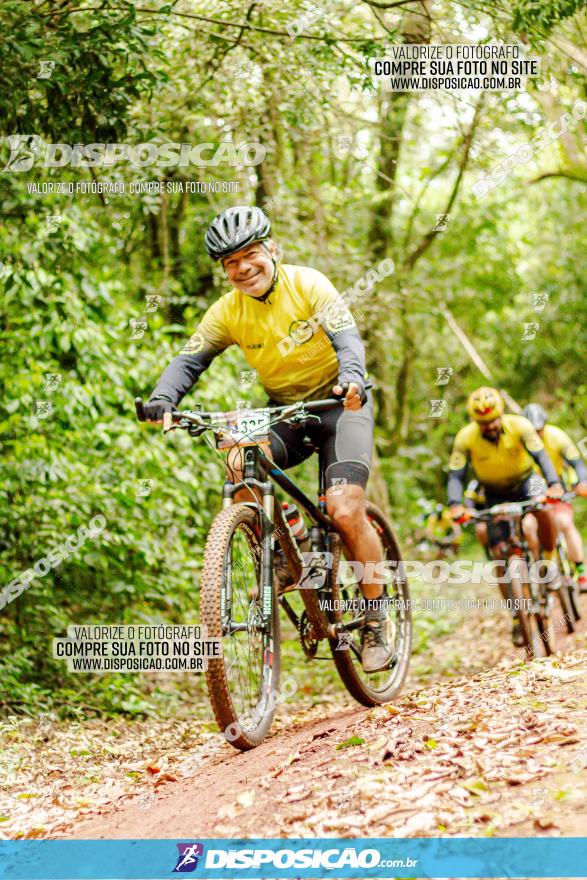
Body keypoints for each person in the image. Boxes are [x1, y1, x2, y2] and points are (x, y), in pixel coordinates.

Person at [139, 205, 392, 673]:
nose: (242, 268)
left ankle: (376, 617)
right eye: (230, 262)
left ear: (271, 250)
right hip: (285, 411)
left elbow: (347, 340)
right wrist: (163, 399)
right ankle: (287, 547)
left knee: (343, 509)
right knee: (239, 458)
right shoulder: (227, 312)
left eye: (250, 254)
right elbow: (189, 360)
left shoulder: (310, 284)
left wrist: (353, 378)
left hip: (341, 405)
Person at [447, 387, 564, 645]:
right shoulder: (465, 438)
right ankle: (516, 614)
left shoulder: (521, 426)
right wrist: (455, 504)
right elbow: (456, 475)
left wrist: (554, 483)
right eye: (483, 423)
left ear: (501, 414)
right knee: (500, 555)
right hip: (493, 493)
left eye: (492, 420)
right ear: (475, 421)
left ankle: (549, 561)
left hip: (526, 481)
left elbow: (541, 456)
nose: (489, 426)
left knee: (543, 508)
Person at [521, 403, 587, 591]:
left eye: (539, 430)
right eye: (532, 432)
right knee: (528, 528)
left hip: (556, 488)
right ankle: (541, 567)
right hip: (531, 492)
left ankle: (581, 573)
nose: (537, 435)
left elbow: (577, 463)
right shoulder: (518, 442)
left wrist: (582, 481)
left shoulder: (557, 436)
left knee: (564, 522)